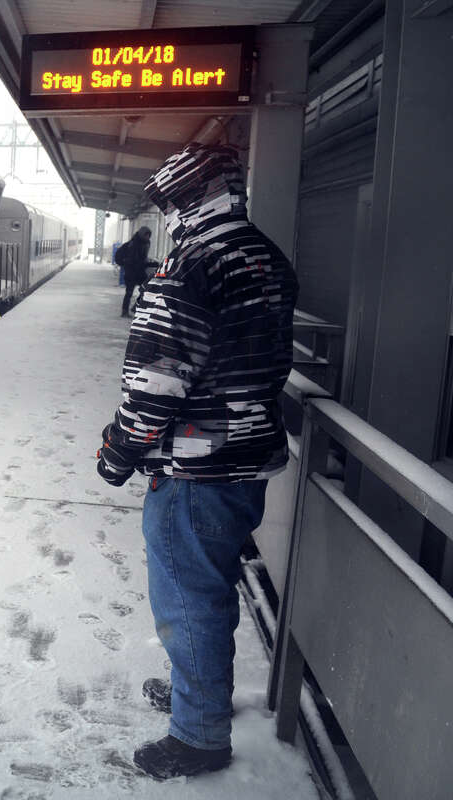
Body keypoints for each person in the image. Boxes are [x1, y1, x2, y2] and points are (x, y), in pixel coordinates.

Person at [95, 143, 298, 780]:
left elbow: (156, 378)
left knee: (187, 600)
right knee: (210, 592)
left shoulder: (192, 264)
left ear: (188, 198)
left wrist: (119, 448)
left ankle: (199, 736)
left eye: (170, 201)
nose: (168, 215)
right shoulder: (266, 255)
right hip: (245, 459)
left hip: (195, 469)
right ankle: (201, 693)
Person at [114, 226, 153, 317]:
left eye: (149, 235)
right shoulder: (132, 244)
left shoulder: (146, 243)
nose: (148, 237)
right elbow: (121, 257)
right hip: (131, 273)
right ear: (142, 234)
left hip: (139, 272)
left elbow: (142, 259)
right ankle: (124, 312)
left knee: (147, 288)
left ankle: (135, 307)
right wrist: (125, 264)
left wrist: (148, 263)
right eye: (146, 235)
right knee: (129, 293)